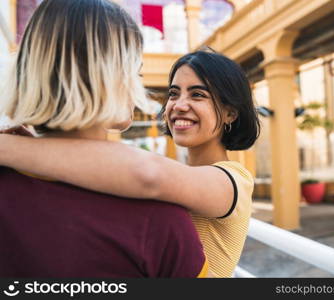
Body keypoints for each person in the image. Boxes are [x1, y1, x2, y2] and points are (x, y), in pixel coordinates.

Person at [0, 51, 260, 277]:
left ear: (230, 112)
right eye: (173, 93)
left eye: (198, 95)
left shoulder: (234, 180)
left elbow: (148, 174)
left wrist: (14, 148)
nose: (179, 105)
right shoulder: (181, 175)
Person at [0, 0, 208, 278]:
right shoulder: (158, 218)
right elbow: (149, 175)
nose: (139, 79)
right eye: (135, 68)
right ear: (108, 75)